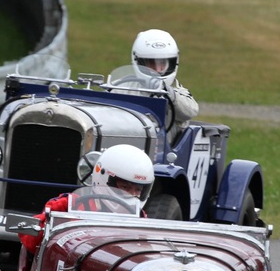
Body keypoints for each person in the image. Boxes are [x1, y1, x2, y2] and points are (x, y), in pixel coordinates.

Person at [18, 145, 154, 255]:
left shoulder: (140, 218)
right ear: (105, 178)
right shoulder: (68, 205)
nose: (133, 195)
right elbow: (31, 242)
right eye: (125, 187)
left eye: (138, 190)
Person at [130, 29, 199, 142]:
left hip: (162, 154)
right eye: (152, 64)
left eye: (163, 64)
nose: (158, 69)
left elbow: (191, 111)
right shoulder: (121, 88)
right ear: (139, 62)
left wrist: (169, 94)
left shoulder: (177, 91)